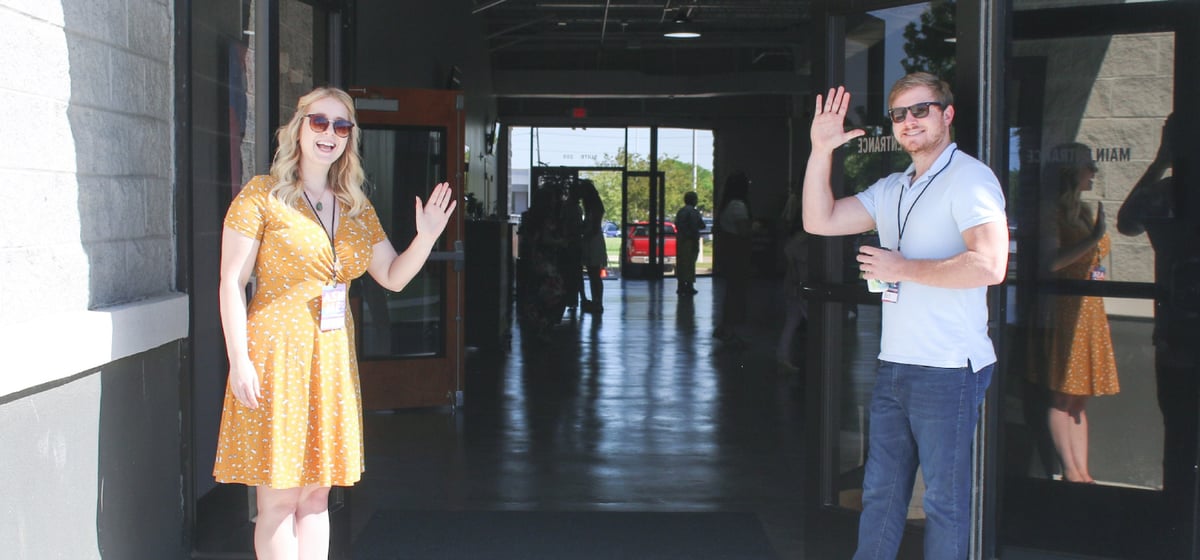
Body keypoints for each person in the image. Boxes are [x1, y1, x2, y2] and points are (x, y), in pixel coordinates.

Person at [213, 86, 457, 559]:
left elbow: (391, 276)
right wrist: (239, 359)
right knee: (280, 498)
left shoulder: (355, 206)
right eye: (319, 122)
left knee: (316, 496)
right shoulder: (262, 195)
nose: (330, 133)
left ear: (350, 137)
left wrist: (425, 238)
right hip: (275, 356)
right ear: (299, 128)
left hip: (330, 360)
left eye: (341, 126)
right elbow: (230, 281)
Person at [802, 74, 1008, 559]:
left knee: (943, 501)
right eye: (899, 114)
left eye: (921, 110)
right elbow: (820, 220)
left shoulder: (970, 178)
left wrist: (902, 268)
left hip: (949, 367)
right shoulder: (894, 187)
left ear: (946, 114)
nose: (909, 122)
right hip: (895, 364)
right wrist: (820, 151)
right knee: (881, 495)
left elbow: (991, 265)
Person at [1038, 143, 1118, 484]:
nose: (1093, 173)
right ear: (1071, 171)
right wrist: (1094, 239)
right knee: (1062, 392)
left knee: (1079, 395)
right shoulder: (1051, 213)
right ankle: (1071, 471)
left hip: (1090, 310)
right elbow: (1051, 262)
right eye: (1088, 166)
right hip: (1066, 308)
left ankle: (1084, 473)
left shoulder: (1082, 211)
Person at [713, 171, 754, 345]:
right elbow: (744, 231)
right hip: (738, 254)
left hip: (730, 254)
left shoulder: (727, 205)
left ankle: (725, 327)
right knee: (737, 294)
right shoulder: (738, 206)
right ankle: (732, 330)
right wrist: (756, 228)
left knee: (731, 292)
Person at [776, 191, 809, 376]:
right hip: (799, 285)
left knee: (792, 320)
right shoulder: (804, 239)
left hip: (794, 285)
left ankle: (783, 356)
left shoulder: (796, 239)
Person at [576, 178, 607, 313]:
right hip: (593, 241)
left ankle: (598, 301)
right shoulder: (594, 207)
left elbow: (593, 228)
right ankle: (596, 301)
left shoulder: (593, 208)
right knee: (594, 274)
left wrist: (583, 233)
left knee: (594, 274)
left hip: (592, 242)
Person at [674, 191, 706, 296]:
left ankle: (681, 285)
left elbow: (677, 224)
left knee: (682, 263)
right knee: (690, 263)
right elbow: (701, 225)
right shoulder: (693, 212)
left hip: (681, 240)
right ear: (693, 200)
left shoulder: (680, 211)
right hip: (690, 241)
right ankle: (689, 286)